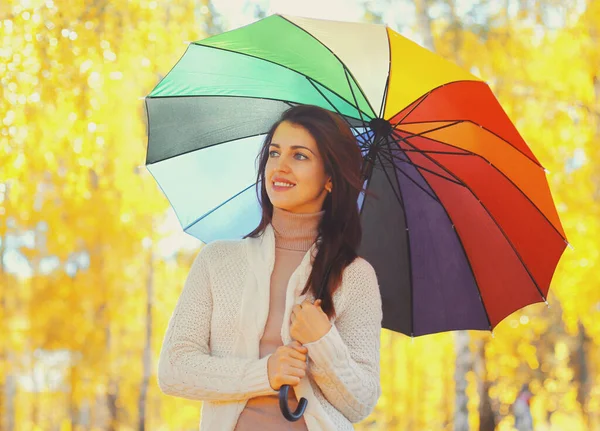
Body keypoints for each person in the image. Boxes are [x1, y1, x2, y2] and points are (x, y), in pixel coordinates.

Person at [157, 105, 383, 431]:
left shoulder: (355, 276)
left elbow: (360, 402)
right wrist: (265, 373)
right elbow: (174, 369)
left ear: (330, 178)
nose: (280, 167)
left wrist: (323, 341)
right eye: (274, 153)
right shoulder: (217, 261)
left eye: (300, 156)